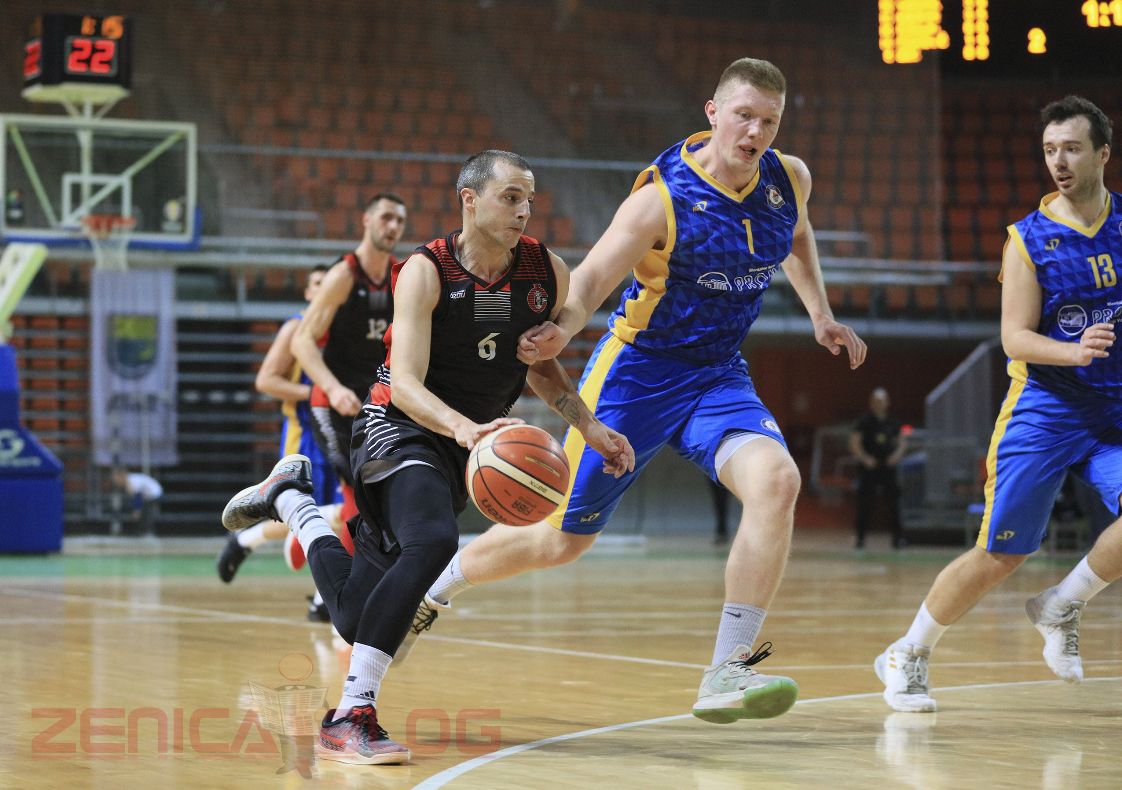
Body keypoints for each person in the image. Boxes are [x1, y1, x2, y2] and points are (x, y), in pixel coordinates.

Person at [402, 57, 867, 724]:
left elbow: (795, 235)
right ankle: (434, 590)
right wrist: (561, 330)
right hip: (637, 373)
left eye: (769, 121)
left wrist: (820, 313)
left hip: (717, 374)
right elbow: (593, 277)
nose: (755, 132)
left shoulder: (789, 178)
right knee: (560, 542)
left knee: (778, 482)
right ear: (713, 112)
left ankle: (726, 670)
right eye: (744, 116)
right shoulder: (661, 197)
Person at [221, 150, 634, 765]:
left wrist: (589, 426)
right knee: (435, 541)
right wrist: (466, 430)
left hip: (464, 442)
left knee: (356, 617)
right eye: (510, 197)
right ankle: (351, 715)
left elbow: (540, 366)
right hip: (397, 426)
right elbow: (407, 385)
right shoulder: (425, 270)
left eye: (528, 198)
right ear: (470, 199)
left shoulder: (546, 271)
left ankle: (293, 501)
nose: (524, 210)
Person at [876, 95, 1122, 713]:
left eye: (1071, 149)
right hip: (1045, 409)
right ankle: (908, 652)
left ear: (1102, 154)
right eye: (1050, 150)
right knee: (1002, 552)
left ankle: (1062, 605)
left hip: (1112, 413)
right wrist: (1074, 352)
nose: (1059, 161)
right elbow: (1014, 338)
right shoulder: (1028, 240)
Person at [216, 265, 344, 622]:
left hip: (341, 430)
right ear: (308, 292)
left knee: (343, 513)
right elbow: (266, 380)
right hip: (304, 433)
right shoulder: (295, 328)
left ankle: (323, 598)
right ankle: (246, 540)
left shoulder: (347, 329)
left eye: (330, 284)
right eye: (317, 284)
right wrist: (317, 392)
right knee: (310, 510)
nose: (324, 289)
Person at [291, 193, 408, 530]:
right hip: (333, 402)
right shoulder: (344, 275)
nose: (393, 226)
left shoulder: (401, 277)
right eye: (386, 217)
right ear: (367, 220)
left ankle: (301, 526)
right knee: (357, 497)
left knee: (380, 496)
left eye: (400, 221)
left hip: (374, 402)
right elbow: (302, 340)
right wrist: (333, 388)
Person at [849, 387, 907, 550]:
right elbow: (854, 443)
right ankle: (860, 538)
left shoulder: (893, 422)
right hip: (869, 468)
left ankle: (898, 539)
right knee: (864, 503)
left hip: (888, 467)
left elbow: (902, 443)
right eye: (876, 401)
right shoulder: (863, 422)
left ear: (887, 403)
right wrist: (865, 458)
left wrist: (895, 457)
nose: (879, 404)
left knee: (893, 503)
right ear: (871, 403)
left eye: (881, 401)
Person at [112, 468, 162, 535]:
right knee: (142, 512)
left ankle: (147, 532)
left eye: (117, 478)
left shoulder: (131, 481)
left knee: (146, 513)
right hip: (147, 495)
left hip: (153, 493)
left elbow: (137, 497)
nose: (115, 481)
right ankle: (143, 531)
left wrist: (137, 510)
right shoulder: (130, 479)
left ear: (121, 476)